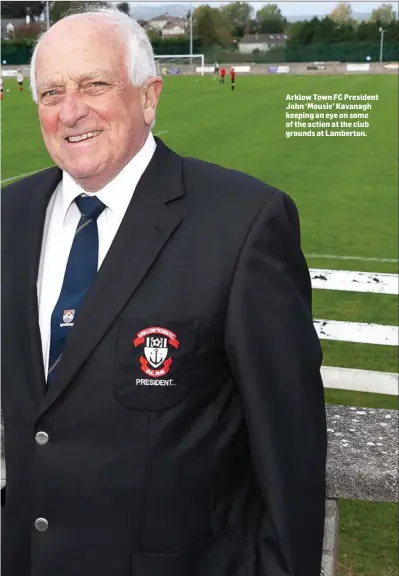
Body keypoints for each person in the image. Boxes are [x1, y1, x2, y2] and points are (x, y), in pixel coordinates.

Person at [1, 6, 327, 576]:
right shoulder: (9, 216)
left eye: (94, 84)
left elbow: (290, 452)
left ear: (149, 97)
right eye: (50, 93)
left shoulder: (243, 223)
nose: (70, 110)